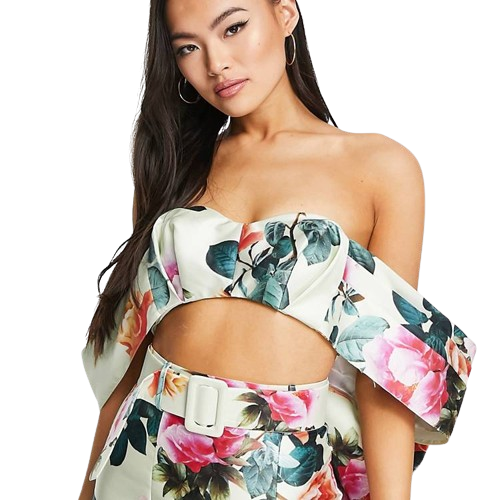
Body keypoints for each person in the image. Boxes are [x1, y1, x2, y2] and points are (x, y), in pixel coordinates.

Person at [79, 1, 477, 499]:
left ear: (286, 13)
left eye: (234, 27)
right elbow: (130, 359)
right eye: (188, 48)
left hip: (281, 471)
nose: (216, 63)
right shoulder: (175, 165)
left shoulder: (380, 168)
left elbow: (385, 372)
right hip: (143, 459)